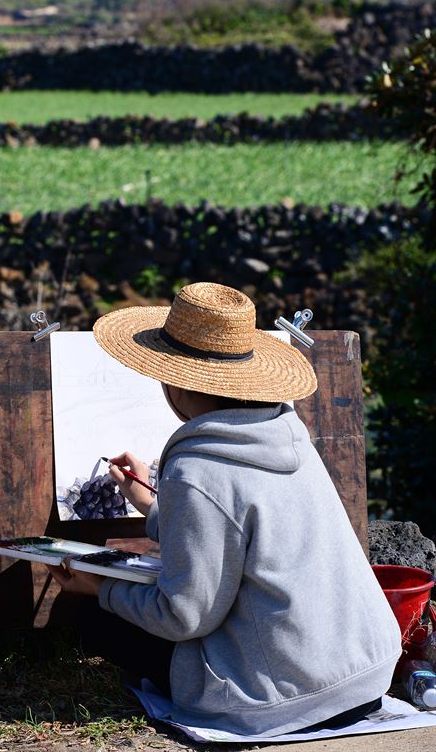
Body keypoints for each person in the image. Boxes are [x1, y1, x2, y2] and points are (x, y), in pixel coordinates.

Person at [49, 282, 401, 737]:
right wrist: (151, 503)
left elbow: (184, 616)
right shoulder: (286, 433)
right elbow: (235, 528)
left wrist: (101, 590)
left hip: (281, 698)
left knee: (98, 620)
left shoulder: (198, 467)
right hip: (365, 674)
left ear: (174, 382)